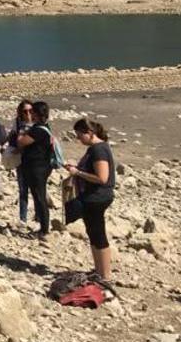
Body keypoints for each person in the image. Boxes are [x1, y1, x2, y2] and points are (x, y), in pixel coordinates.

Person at [66, 119, 115, 284]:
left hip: (97, 197)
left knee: (98, 234)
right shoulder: (96, 148)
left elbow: (102, 178)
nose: (78, 139)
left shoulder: (98, 150)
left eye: (80, 135)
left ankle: (105, 275)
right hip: (93, 196)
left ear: (89, 133)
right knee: (93, 233)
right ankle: (98, 270)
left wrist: (77, 173)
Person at [16, 101, 54, 239]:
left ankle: (44, 229)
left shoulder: (38, 129)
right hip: (40, 167)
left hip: (37, 168)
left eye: (31, 111)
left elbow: (21, 142)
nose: (29, 114)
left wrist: (21, 131)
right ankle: (42, 226)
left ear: (36, 113)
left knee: (39, 197)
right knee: (39, 196)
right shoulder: (44, 127)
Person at [9, 100, 35, 224]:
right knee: (23, 190)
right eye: (25, 111)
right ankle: (23, 218)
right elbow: (13, 139)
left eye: (30, 110)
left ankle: (39, 216)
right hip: (21, 160)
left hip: (36, 161)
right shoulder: (18, 123)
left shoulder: (38, 122)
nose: (28, 113)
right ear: (21, 112)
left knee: (37, 190)